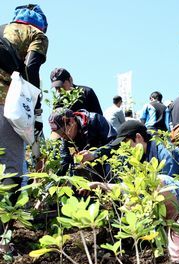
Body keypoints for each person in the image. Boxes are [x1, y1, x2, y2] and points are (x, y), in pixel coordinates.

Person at [0, 4, 48, 193]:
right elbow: (31, 67)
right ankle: (6, 220)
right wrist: (35, 108)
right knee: (13, 166)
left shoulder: (2, 29)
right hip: (5, 101)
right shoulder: (37, 34)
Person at [108, 120, 179, 180]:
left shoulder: (165, 152)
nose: (124, 147)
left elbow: (169, 186)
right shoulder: (143, 154)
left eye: (126, 142)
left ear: (138, 137)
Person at [48, 108, 116, 180]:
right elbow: (64, 163)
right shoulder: (66, 139)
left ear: (71, 122)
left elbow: (115, 143)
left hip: (107, 170)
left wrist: (94, 154)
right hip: (89, 177)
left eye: (62, 132)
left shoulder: (95, 120)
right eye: (59, 134)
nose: (62, 136)